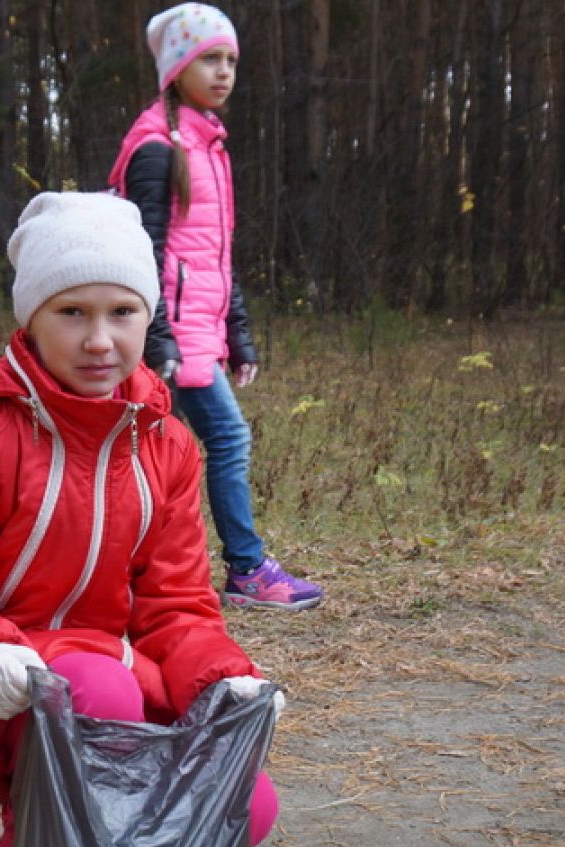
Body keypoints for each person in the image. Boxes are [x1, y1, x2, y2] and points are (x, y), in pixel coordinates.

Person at [0, 191, 283, 847]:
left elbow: (178, 604)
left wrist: (222, 677)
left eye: (122, 313)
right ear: (30, 319)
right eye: (72, 313)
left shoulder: (165, 446)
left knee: (249, 805)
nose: (100, 340)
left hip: (120, 675)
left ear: (148, 317)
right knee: (97, 688)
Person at [109, 3, 322, 612]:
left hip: (196, 335)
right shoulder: (159, 147)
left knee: (149, 454)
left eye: (230, 59)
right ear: (176, 68)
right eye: (209, 58)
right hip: (167, 337)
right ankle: (246, 570)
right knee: (219, 439)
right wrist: (156, 340)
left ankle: (138, 576)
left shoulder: (207, 144)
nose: (224, 71)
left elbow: (214, 257)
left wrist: (239, 333)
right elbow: (142, 250)